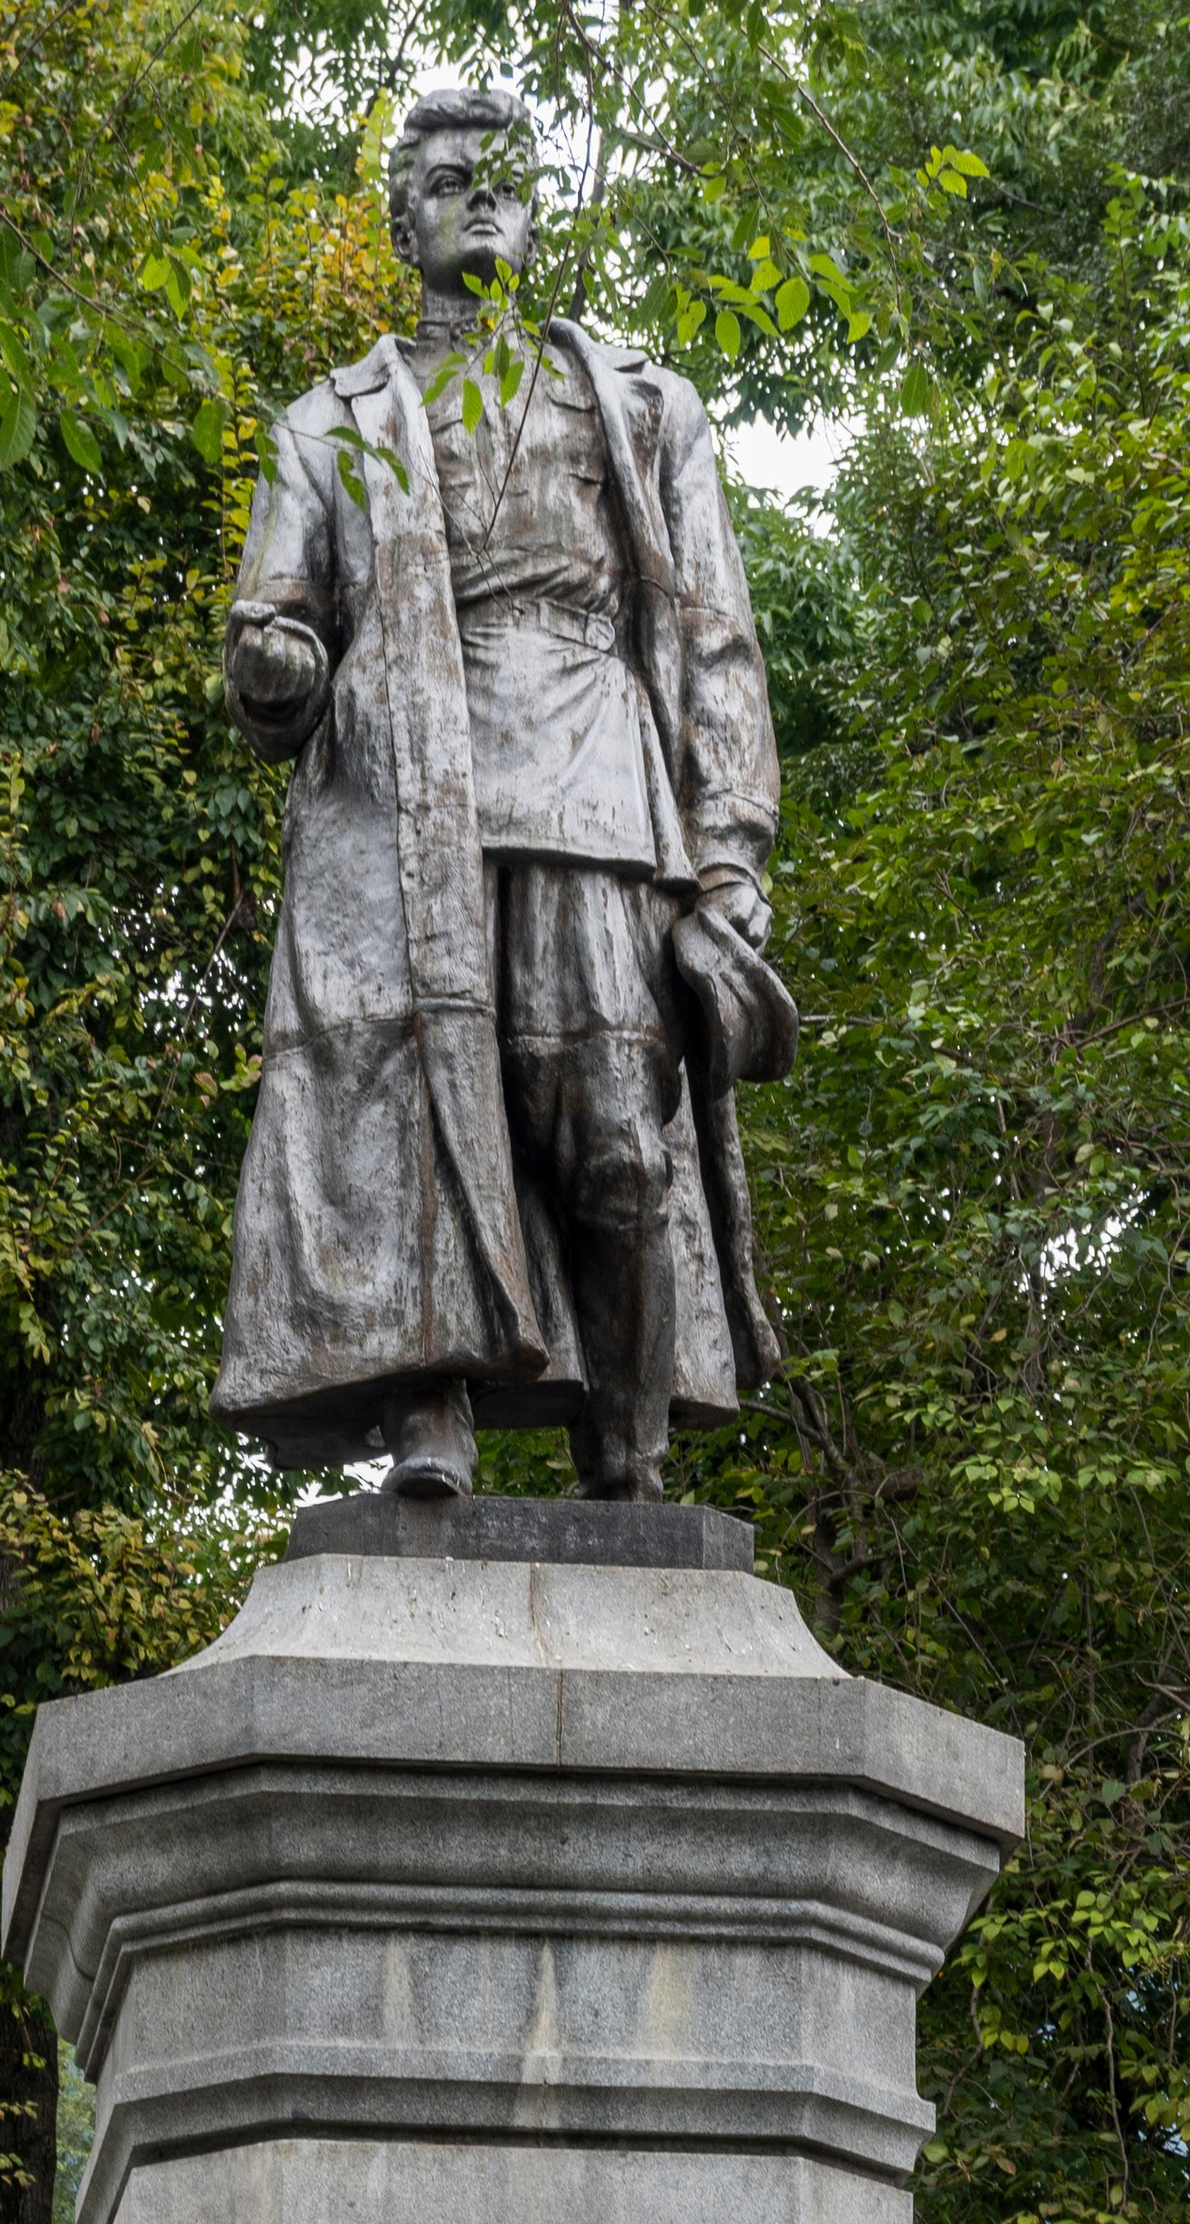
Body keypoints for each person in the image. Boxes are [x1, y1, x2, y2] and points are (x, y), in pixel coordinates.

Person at [215, 80, 794, 1506]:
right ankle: (435, 1411)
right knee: (412, 1110)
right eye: (448, 179)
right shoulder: (335, 422)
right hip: (404, 798)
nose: (480, 197)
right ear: (401, 219)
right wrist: (277, 661)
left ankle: (632, 1449)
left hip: (600, 792)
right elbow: (272, 627)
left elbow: (714, 636)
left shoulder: (645, 406)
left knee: (613, 1132)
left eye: (501, 179)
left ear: (533, 217)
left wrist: (726, 860)